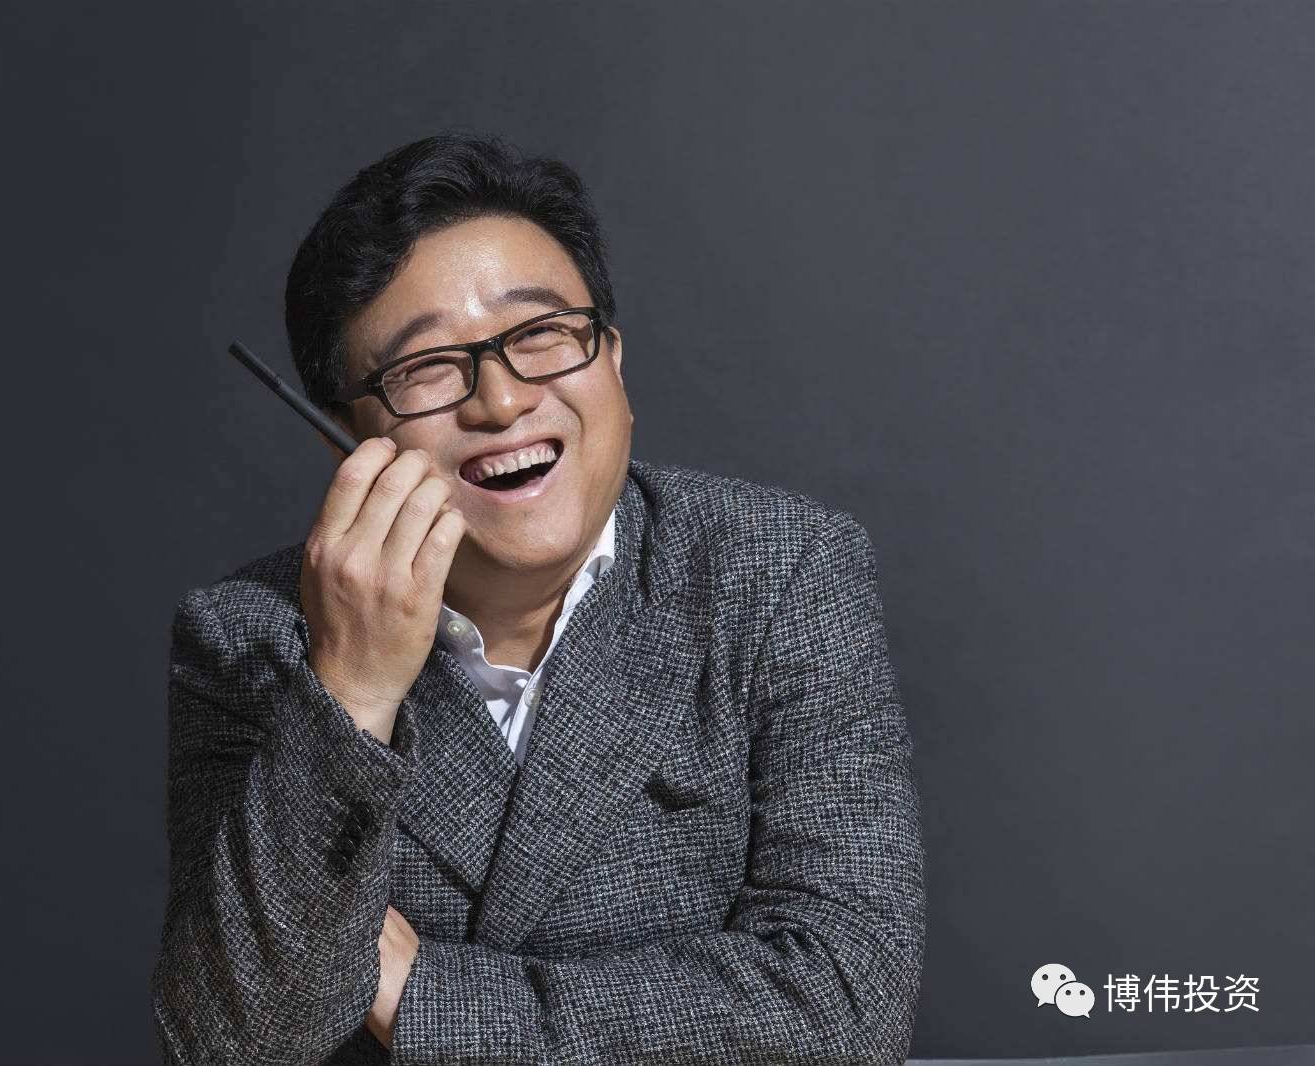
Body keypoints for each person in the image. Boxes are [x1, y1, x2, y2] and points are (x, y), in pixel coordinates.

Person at [150, 131, 925, 1065]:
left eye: (541, 335)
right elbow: (234, 1044)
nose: (503, 401)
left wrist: (423, 998)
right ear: (343, 438)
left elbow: (849, 1004)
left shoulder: (777, 571)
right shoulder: (248, 637)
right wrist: (351, 691)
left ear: (613, 361)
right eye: (426, 366)